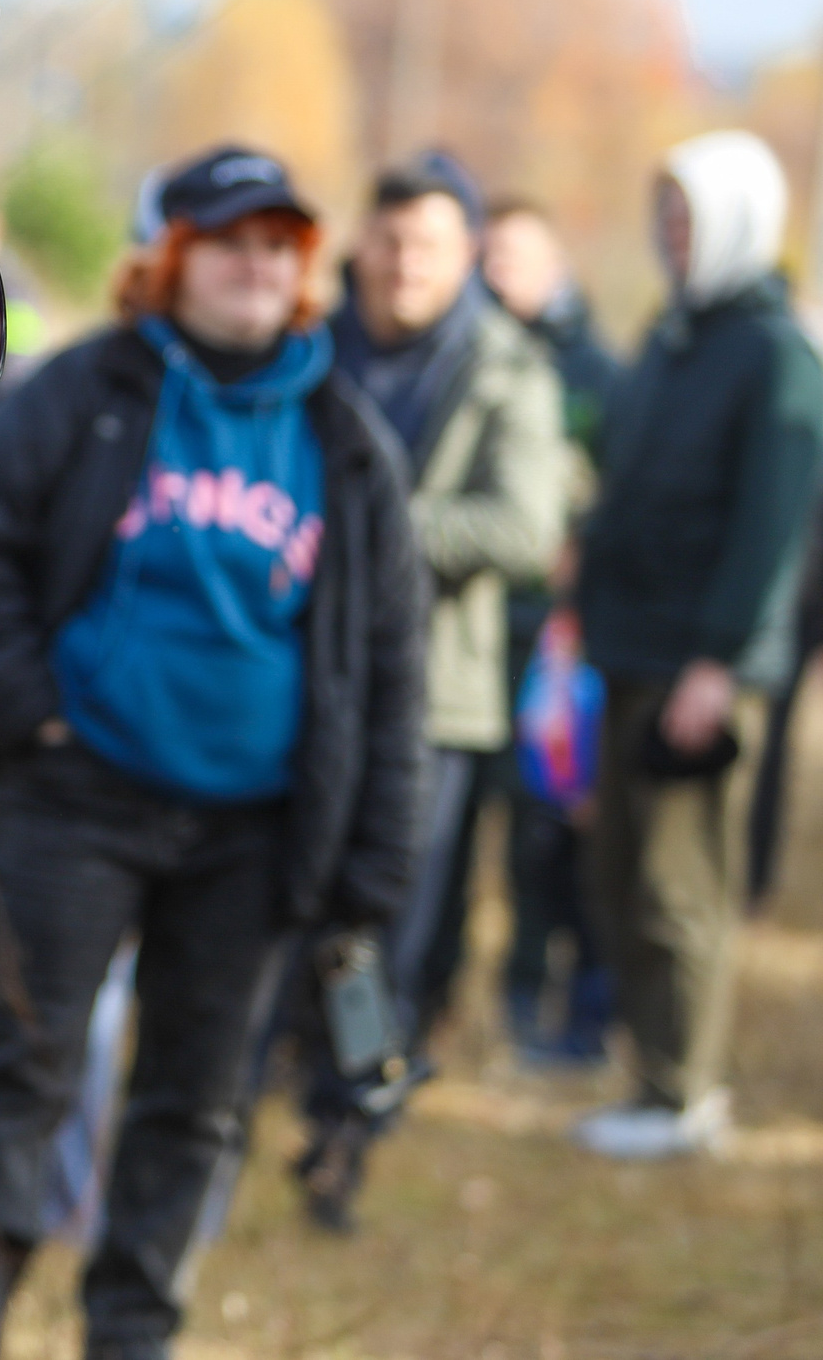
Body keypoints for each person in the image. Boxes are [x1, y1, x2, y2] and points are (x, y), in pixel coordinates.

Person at [0, 144, 424, 1360]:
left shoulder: (345, 442)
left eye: (277, 245)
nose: (255, 264)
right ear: (169, 258)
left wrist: (373, 863)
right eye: (228, 240)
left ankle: (130, 1335)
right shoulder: (82, 389)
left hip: (252, 829)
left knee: (192, 1105)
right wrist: (25, 715)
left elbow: (390, 668)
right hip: (76, 800)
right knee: (25, 1078)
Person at [299, 152, 566, 1226]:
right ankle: (268, 1079)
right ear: (361, 242)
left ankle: (344, 1130)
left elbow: (527, 526)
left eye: (431, 245)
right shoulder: (307, 348)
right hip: (299, 671)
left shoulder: (508, 368)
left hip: (435, 700)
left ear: (467, 257)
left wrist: (382, 531)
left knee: (387, 922)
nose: (405, 262)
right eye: (391, 238)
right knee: (281, 892)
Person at [572, 129, 823, 1160]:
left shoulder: (774, 353)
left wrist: (718, 660)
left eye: (691, 216)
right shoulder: (671, 333)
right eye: (664, 213)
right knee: (624, 871)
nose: (673, 234)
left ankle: (685, 1092)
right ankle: (649, 1070)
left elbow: (771, 525)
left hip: (699, 667)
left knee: (683, 882)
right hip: (629, 647)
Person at [478, 197, 622, 1061]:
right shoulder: (471, 356)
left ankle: (558, 999)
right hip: (477, 625)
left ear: (554, 263)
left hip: (562, 642)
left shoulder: (597, 375)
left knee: (550, 826)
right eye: (490, 257)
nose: (501, 274)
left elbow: (628, 489)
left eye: (518, 257)